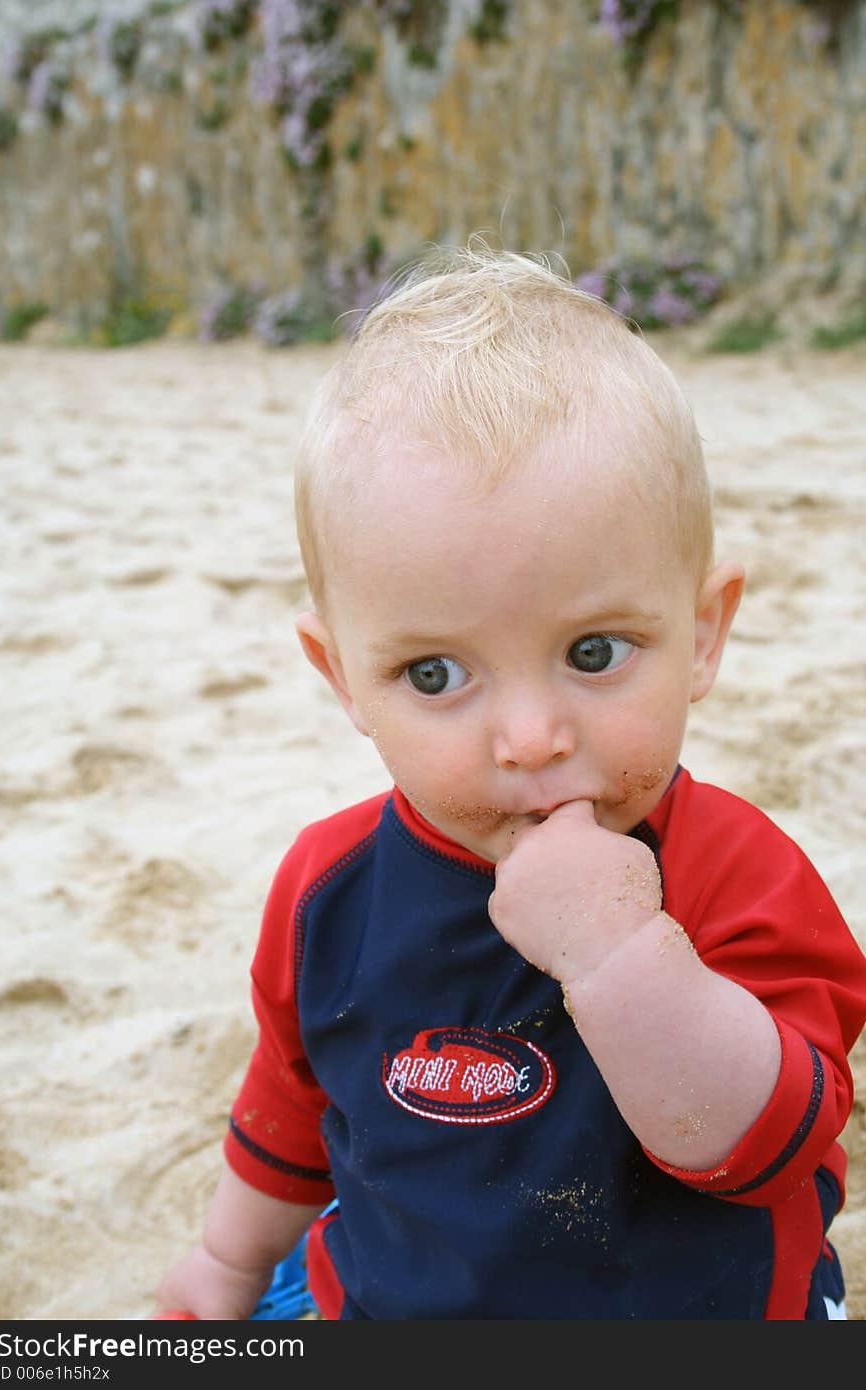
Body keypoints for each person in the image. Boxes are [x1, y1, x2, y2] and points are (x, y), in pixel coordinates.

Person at [155, 246, 866, 1320]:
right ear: (344, 678)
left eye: (594, 653)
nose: (530, 739)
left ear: (703, 634)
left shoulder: (740, 873)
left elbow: (756, 1151)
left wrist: (619, 952)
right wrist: (225, 1262)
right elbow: (296, 1104)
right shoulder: (327, 886)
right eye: (434, 674)